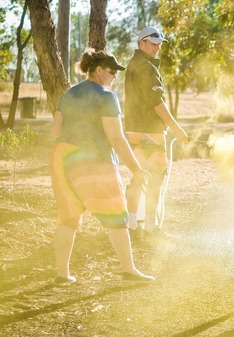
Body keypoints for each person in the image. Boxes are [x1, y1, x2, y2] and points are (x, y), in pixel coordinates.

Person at [50, 50, 154, 283]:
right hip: (94, 160)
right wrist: (137, 169)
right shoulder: (106, 97)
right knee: (116, 215)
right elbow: (116, 138)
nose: (115, 76)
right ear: (98, 70)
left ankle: (62, 274)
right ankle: (129, 270)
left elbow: (55, 131)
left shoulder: (69, 94)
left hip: (62, 159)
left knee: (68, 217)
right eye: (111, 71)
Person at [124, 26, 189, 239]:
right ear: (141, 43)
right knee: (155, 178)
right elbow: (157, 103)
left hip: (133, 130)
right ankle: (150, 228)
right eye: (153, 43)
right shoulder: (146, 67)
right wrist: (176, 128)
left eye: (159, 43)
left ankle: (133, 225)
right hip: (150, 132)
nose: (157, 47)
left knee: (138, 176)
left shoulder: (134, 64)